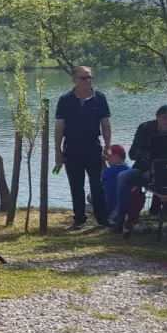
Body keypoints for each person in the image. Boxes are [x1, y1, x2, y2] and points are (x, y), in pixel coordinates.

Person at [111, 106, 167, 234]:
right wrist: (143, 155)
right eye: (165, 118)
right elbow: (132, 154)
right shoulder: (145, 128)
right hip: (144, 170)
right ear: (157, 117)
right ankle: (121, 220)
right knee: (123, 176)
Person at [54, 66, 113, 229]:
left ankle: (102, 219)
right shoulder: (65, 99)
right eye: (84, 78)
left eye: (90, 77)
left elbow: (105, 124)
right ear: (74, 80)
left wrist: (108, 146)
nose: (88, 81)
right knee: (76, 185)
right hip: (71, 147)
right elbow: (59, 126)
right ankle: (79, 219)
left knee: (97, 184)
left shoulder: (99, 97)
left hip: (93, 146)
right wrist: (57, 150)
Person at [100, 144, 130, 219]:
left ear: (116, 157)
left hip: (109, 204)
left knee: (90, 196)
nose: (107, 158)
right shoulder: (130, 169)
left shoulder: (106, 172)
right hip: (128, 203)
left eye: (109, 156)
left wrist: (101, 162)